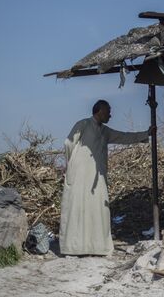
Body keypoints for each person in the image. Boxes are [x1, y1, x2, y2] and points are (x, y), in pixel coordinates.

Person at [60, 99, 154, 255]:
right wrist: (73, 165)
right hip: (79, 176)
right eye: (108, 111)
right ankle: (74, 247)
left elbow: (124, 137)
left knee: (98, 210)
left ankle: (97, 247)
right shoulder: (83, 124)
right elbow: (68, 144)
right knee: (77, 208)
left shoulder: (105, 131)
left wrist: (146, 134)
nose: (110, 114)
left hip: (97, 179)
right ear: (100, 111)